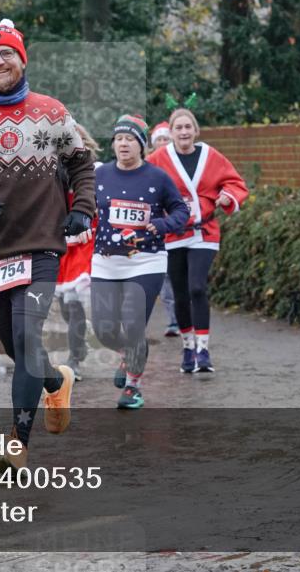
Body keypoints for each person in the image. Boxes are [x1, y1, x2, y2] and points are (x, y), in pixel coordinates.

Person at [0, 18, 94, 473]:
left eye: (7, 53)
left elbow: (81, 163)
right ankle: (54, 381)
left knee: (27, 339)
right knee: (15, 343)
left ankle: (17, 442)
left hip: (43, 246)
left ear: (22, 60)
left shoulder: (51, 111)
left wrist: (81, 208)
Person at [90, 115, 188, 408]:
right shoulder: (100, 175)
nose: (123, 144)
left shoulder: (157, 177)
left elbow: (180, 212)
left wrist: (162, 223)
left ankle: (133, 387)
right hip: (106, 260)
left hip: (146, 261)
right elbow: (83, 205)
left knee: (134, 325)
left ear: (141, 145)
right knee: (104, 329)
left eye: (130, 139)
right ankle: (126, 353)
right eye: (118, 138)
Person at [147, 107, 248, 373]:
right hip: (173, 234)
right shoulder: (159, 159)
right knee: (180, 294)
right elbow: (145, 188)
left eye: (187, 127)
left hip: (204, 232)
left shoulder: (211, 156)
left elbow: (235, 182)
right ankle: (188, 346)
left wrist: (227, 196)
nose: (183, 132)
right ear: (171, 132)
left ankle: (203, 350)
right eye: (178, 128)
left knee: (197, 288)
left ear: (195, 131)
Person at [55, 124, 100, 381]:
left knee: (74, 304)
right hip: (60, 241)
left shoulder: (97, 170)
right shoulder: (51, 170)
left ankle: (74, 358)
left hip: (85, 240)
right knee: (64, 304)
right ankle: (79, 346)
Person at [149, 121, 180, 337]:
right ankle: (173, 321)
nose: (162, 143)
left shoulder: (179, 167)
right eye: (159, 139)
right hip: (155, 233)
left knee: (180, 278)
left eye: (165, 139)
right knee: (165, 279)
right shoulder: (147, 166)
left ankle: (184, 317)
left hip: (179, 230)